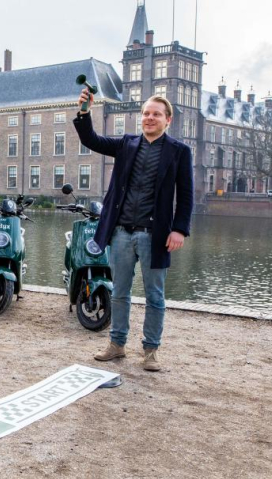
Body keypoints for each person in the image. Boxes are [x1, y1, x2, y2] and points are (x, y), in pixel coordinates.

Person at [73, 89, 193, 371]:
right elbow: (91, 139)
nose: (150, 118)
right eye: (146, 114)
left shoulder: (179, 151)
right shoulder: (126, 144)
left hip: (156, 235)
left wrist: (179, 230)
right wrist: (84, 112)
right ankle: (117, 345)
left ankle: (150, 351)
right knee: (119, 293)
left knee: (155, 296)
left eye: (156, 114)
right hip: (122, 232)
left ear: (168, 120)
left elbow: (186, 195)